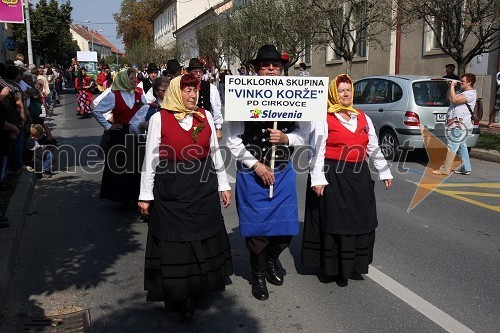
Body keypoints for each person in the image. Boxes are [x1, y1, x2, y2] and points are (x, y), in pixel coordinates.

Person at [138, 73, 232, 320]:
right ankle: (181, 294)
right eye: (187, 90)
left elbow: (215, 153)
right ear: (176, 93)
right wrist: (145, 195)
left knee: (200, 238)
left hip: (202, 186)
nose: (193, 95)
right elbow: (150, 160)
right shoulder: (160, 118)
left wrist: (223, 184)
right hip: (172, 188)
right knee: (177, 242)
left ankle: (198, 287)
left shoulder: (206, 116)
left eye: (195, 90)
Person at [227, 44, 310, 301]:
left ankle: (272, 259)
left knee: (285, 228)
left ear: (282, 69)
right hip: (252, 171)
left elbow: (305, 132)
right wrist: (256, 165)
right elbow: (231, 138)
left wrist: (286, 137)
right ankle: (259, 275)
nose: (271, 69)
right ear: (256, 69)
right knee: (257, 230)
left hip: (283, 170)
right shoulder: (241, 95)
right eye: (265, 65)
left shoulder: (295, 95)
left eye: (276, 65)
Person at [302, 74, 393, 287]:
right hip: (333, 175)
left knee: (358, 220)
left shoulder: (362, 117)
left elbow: (373, 147)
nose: (345, 94)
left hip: (358, 175)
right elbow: (317, 151)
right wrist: (318, 179)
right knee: (335, 221)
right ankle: (333, 269)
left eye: (349, 90)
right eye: (341, 90)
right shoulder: (323, 118)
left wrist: (384, 171)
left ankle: (351, 265)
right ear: (334, 93)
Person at [92, 68, 148, 203]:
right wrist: (108, 126)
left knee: (136, 166)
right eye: (131, 78)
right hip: (120, 134)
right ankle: (122, 197)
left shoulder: (139, 95)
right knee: (121, 167)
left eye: (135, 78)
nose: (135, 80)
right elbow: (97, 111)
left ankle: (136, 196)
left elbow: (146, 110)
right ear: (124, 79)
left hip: (136, 134)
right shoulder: (114, 95)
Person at [432, 73, 477, 176]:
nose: (461, 82)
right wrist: (450, 87)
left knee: (451, 146)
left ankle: (444, 169)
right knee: (462, 146)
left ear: (469, 82)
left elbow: (455, 100)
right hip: (455, 123)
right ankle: (466, 168)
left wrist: (453, 86)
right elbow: (450, 98)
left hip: (460, 125)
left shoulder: (470, 94)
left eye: (463, 81)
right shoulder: (460, 91)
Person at [186, 58, 224, 140]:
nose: (198, 74)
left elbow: (216, 108)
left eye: (201, 71)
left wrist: (218, 128)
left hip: (204, 125)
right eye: (195, 72)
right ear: (189, 73)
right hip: (187, 125)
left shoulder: (211, 88)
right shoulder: (183, 88)